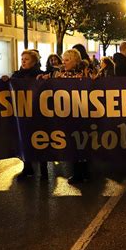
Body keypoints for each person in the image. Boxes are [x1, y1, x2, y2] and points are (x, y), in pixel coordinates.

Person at [42, 49, 89, 183]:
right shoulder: (59, 73)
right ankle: (77, 173)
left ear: (75, 61)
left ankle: (85, 171)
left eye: (67, 60)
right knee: (73, 144)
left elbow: (96, 83)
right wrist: (44, 79)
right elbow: (46, 82)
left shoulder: (85, 72)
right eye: (63, 59)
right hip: (67, 115)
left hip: (83, 113)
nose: (64, 62)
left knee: (83, 143)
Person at [2, 50, 46, 179]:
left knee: (40, 142)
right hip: (22, 114)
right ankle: (27, 168)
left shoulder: (41, 75)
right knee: (25, 141)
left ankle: (44, 171)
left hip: (38, 114)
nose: (23, 61)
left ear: (34, 61)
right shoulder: (16, 76)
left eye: (26, 59)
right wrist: (5, 80)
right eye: (22, 59)